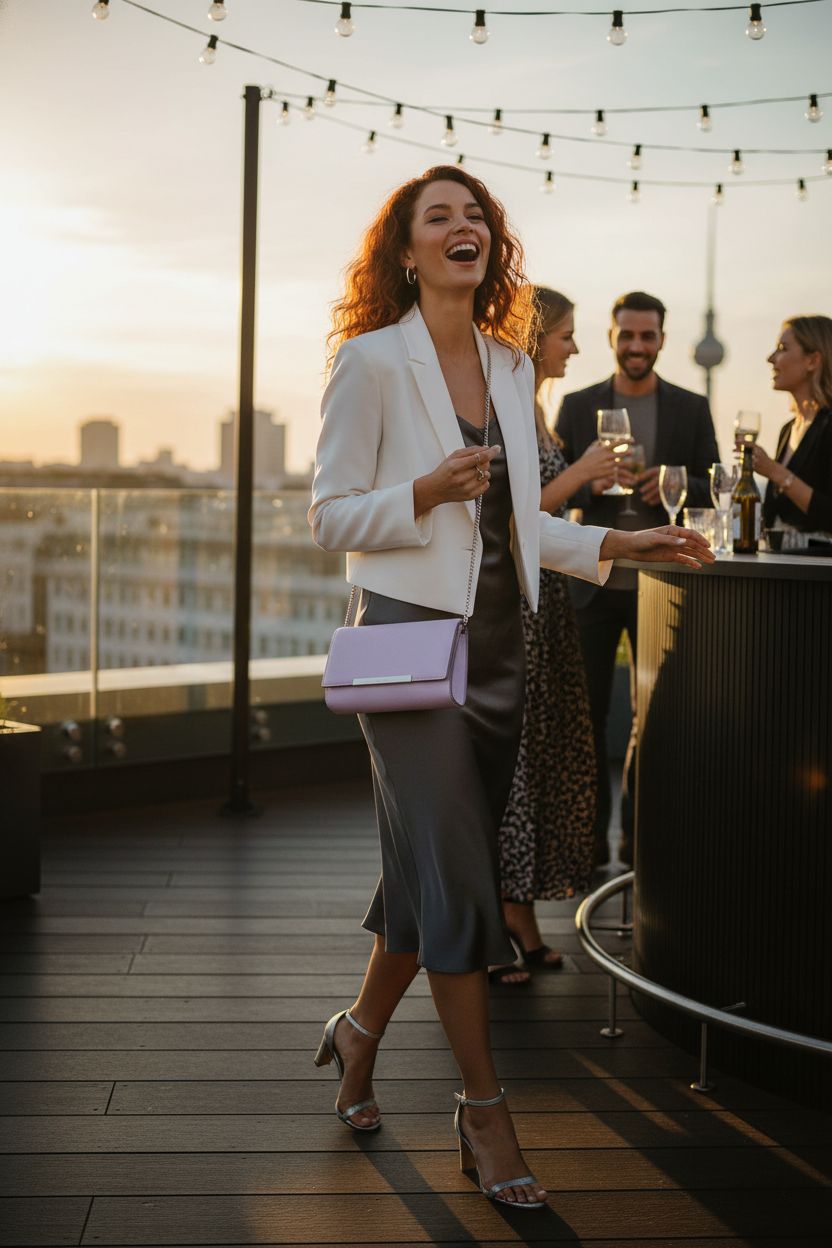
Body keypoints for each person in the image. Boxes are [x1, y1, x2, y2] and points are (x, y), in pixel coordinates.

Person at [308, 168, 712, 1210]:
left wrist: (619, 542)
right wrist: (421, 491)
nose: (464, 227)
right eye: (438, 217)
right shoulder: (370, 360)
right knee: (458, 879)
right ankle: (484, 1112)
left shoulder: (507, 363)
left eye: (476, 216)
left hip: (499, 653)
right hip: (406, 650)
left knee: (429, 883)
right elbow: (331, 515)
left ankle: (357, 1036)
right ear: (405, 251)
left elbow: (518, 521)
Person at [555, 291, 720, 866]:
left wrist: (673, 484)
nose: (636, 345)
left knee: (652, 719)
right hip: (591, 583)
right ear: (612, 337)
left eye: (647, 336)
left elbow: (712, 483)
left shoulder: (691, 408)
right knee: (586, 719)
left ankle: (636, 841)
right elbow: (551, 490)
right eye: (627, 335)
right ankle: (588, 845)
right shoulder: (577, 405)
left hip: (661, 585)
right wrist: (590, 483)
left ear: (662, 341)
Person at [494, 288, 616, 986]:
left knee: (538, 758)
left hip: (547, 606)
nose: (574, 347)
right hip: (519, 611)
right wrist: (581, 474)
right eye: (566, 335)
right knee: (516, 763)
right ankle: (497, 925)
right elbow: (511, 515)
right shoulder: (507, 403)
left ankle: (519, 918)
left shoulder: (534, 406)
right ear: (535, 336)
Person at [754, 315, 832, 535]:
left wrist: (775, 472)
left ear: (812, 361)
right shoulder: (788, 430)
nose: (771, 358)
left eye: (782, 349)